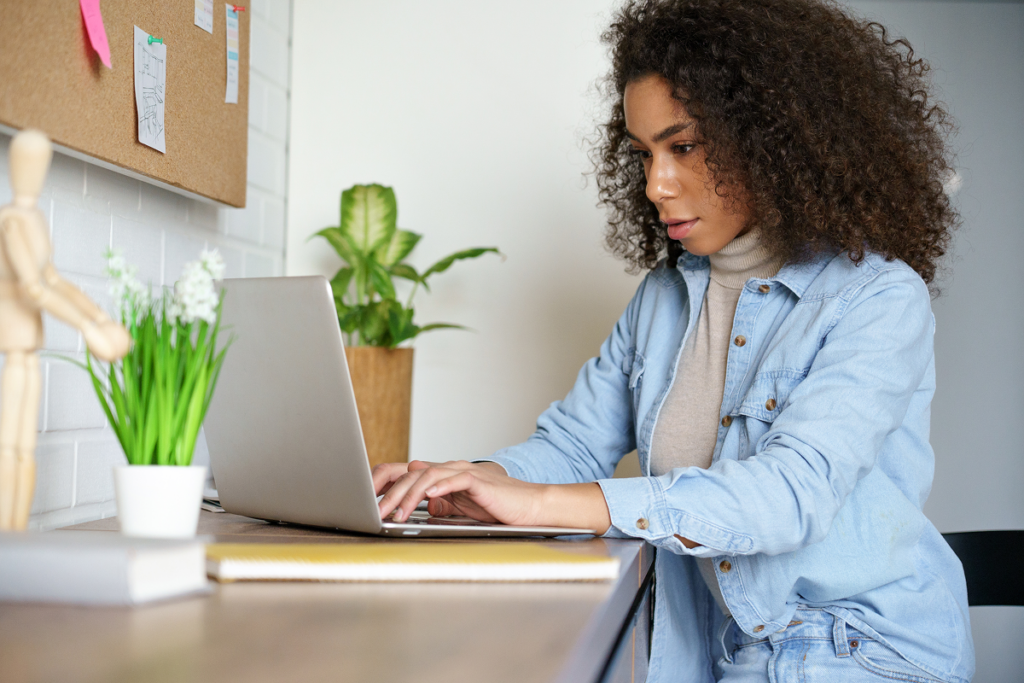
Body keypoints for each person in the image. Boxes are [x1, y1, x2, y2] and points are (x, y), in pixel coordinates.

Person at [373, 0, 974, 680]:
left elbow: (789, 496)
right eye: (644, 154)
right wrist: (476, 480)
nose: (656, 185)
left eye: (682, 146)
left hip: (857, 650)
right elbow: (574, 445)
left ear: (772, 139)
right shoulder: (664, 296)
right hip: (716, 648)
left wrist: (541, 505)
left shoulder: (878, 297)